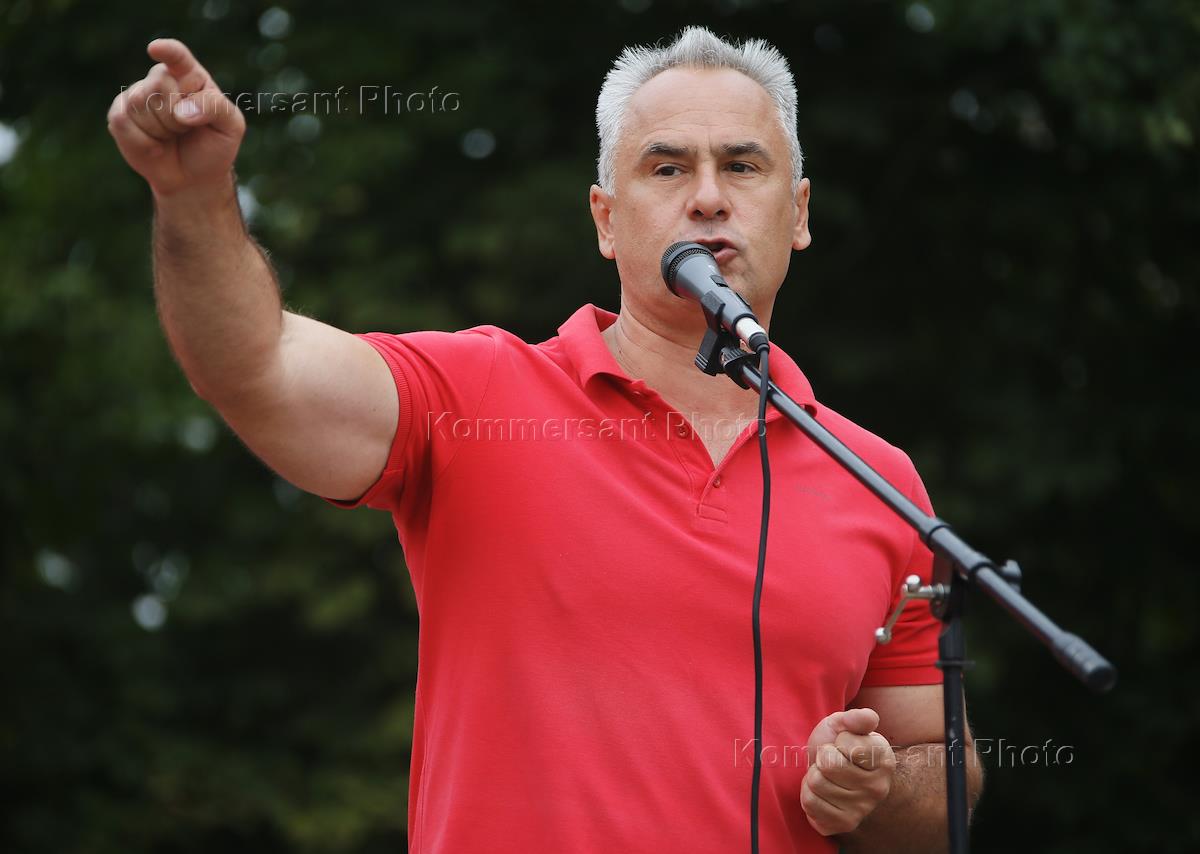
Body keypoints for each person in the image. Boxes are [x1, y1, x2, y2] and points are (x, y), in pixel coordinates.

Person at [108, 25, 982, 853]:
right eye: (667, 167)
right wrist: (195, 199)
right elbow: (256, 364)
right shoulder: (477, 395)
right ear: (605, 219)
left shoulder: (877, 479)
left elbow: (941, 784)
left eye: (742, 166)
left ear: (797, 213)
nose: (708, 196)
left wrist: (874, 786)